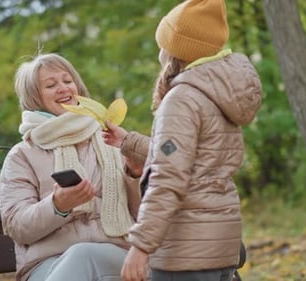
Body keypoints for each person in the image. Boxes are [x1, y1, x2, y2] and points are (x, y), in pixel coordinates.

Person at [102, 0, 262, 280]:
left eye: (163, 42)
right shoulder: (215, 92)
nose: (159, 50)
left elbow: (168, 177)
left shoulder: (182, 99)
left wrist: (140, 246)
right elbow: (191, 157)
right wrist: (130, 142)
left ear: (177, 49)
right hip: (219, 244)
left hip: (185, 251)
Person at [0, 53, 143, 281]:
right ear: (34, 97)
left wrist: (135, 174)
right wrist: (58, 206)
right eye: (51, 85)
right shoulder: (22, 155)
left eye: (67, 81)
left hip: (116, 255)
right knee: (81, 257)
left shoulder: (109, 139)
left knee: (84, 255)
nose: (63, 88)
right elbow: (18, 227)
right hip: (47, 264)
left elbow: (145, 214)